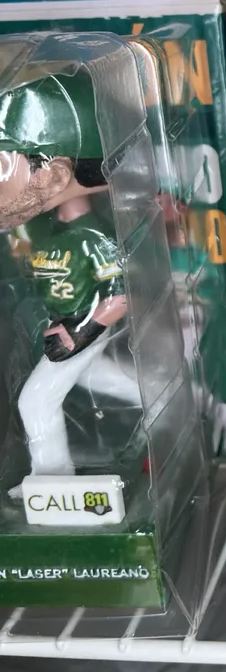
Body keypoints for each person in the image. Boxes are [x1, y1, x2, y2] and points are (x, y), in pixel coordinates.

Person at [0, 73, 139, 478]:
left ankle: (52, 480)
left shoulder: (93, 236)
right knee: (103, 380)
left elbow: (120, 296)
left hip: (82, 325)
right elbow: (23, 250)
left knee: (36, 401)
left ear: (56, 176)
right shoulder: (42, 228)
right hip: (59, 325)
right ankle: (168, 402)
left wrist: (81, 331)